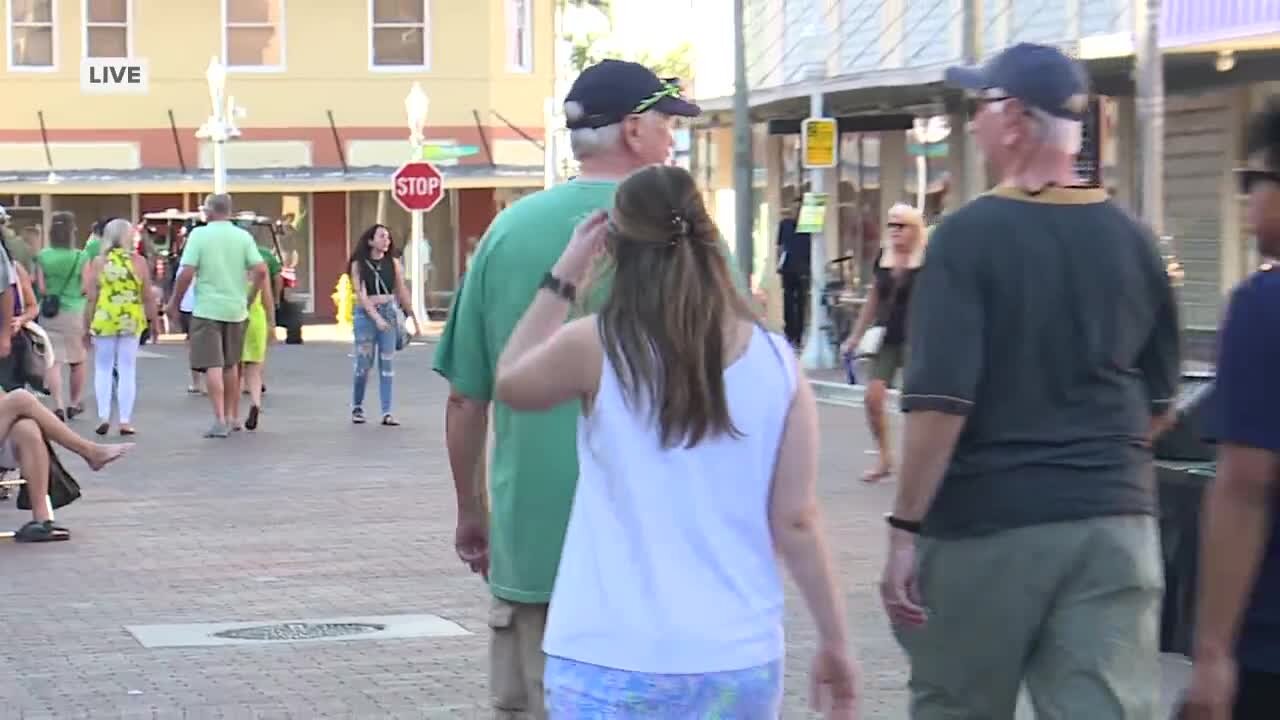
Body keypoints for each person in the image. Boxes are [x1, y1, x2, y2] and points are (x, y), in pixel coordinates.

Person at [879, 43, 1181, 718]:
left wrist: (905, 529)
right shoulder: (1136, 239)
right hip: (1114, 524)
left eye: (978, 107)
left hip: (988, 526)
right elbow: (1160, 403)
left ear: (1013, 119)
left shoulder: (965, 237)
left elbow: (940, 406)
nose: (970, 122)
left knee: (957, 704)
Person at [493, 166, 858, 717]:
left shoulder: (598, 347)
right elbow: (797, 519)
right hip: (735, 657)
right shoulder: (775, 361)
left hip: (606, 655)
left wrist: (566, 273)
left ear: (615, 249)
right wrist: (835, 640)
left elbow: (511, 380)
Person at [433, 59, 708, 718]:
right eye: (668, 123)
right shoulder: (686, 240)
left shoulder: (506, 232)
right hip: (656, 548)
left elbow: (467, 397)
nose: (673, 139)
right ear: (635, 130)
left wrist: (471, 512)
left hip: (536, 539)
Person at [1179, 98, 1280, 720]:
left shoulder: (1262, 308)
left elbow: (1244, 487)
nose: (1246, 205)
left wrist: (1212, 652)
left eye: (1253, 182)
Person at [166, 194, 269, 438]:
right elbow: (261, 270)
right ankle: (233, 417)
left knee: (212, 364)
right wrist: (251, 295)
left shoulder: (199, 236)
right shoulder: (243, 237)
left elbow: (187, 273)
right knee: (231, 364)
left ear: (210, 212)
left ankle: (219, 419)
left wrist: (174, 302)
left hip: (207, 309)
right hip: (236, 309)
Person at [841, 202, 927, 482]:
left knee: (916, 403)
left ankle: (922, 463)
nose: (895, 231)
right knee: (872, 398)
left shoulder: (927, 258)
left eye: (901, 226)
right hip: (889, 335)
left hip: (919, 337)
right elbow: (874, 299)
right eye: (891, 225)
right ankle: (884, 457)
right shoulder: (884, 258)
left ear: (915, 229)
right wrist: (854, 336)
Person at [84, 218, 155, 437]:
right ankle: (125, 420)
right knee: (127, 369)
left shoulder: (98, 262)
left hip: (105, 318)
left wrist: (86, 324)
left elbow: (91, 297)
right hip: (130, 319)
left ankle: (104, 416)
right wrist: (154, 322)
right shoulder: (138, 262)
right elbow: (147, 296)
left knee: (103, 368)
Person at [349, 224, 417, 426]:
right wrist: (375, 318)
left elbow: (401, 289)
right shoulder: (358, 263)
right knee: (363, 364)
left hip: (388, 311)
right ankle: (357, 407)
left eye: (388, 237)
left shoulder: (393, 263)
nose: (386, 240)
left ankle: (387, 412)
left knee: (387, 364)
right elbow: (360, 294)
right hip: (365, 316)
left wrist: (411, 315)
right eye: (381, 236)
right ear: (370, 241)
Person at [33, 212, 90, 421]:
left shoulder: (42, 256)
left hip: (50, 312)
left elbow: (40, 287)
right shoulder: (80, 256)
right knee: (78, 360)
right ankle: (74, 403)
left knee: (53, 360)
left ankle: (57, 404)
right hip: (75, 311)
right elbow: (85, 286)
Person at [777, 196, 812, 349]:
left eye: (800, 208)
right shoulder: (785, 224)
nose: (797, 211)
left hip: (803, 268)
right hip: (788, 268)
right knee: (788, 301)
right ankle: (789, 332)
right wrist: (778, 263)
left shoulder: (808, 226)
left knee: (801, 302)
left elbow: (813, 246)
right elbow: (779, 246)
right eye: (795, 208)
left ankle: (798, 334)